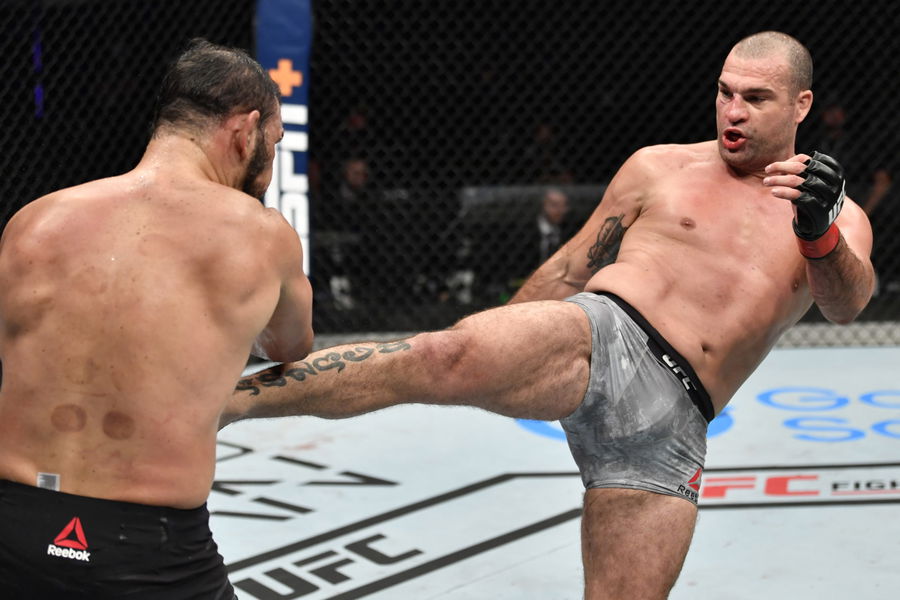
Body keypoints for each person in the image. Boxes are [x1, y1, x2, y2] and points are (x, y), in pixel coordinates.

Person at [221, 31, 874, 599]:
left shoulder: (838, 217)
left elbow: (847, 304)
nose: (733, 111)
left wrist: (815, 230)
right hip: (600, 336)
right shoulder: (660, 166)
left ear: (800, 105)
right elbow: (569, 269)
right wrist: (500, 343)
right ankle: (226, 401)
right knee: (440, 354)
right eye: (725, 92)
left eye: (755, 98)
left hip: (674, 423)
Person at [0, 39, 313, 598]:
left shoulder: (35, 220)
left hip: (13, 523)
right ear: (246, 131)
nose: (267, 170)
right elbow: (289, 345)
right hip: (146, 546)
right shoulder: (260, 236)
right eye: (274, 142)